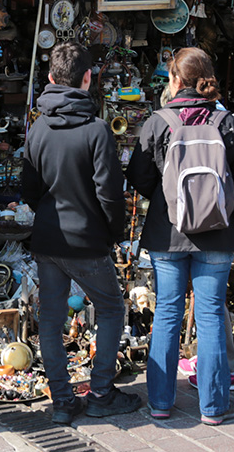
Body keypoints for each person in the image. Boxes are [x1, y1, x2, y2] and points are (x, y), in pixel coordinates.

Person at [126, 48, 234, 425]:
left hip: (168, 232)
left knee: (167, 312)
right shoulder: (226, 121)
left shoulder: (158, 122)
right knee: (212, 313)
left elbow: (138, 178)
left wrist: (172, 198)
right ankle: (214, 407)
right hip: (217, 232)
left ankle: (161, 403)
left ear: (176, 80)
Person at [22, 43, 139, 425]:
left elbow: (29, 189)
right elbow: (109, 193)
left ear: (52, 79)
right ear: (88, 79)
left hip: (48, 239)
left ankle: (61, 400)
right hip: (86, 240)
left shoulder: (37, 128)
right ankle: (102, 391)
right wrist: (113, 234)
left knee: (52, 321)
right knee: (110, 309)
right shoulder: (96, 129)